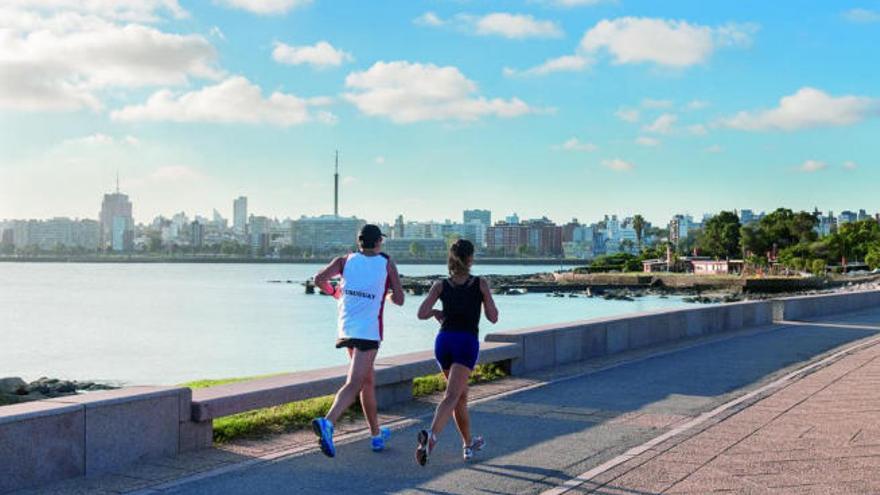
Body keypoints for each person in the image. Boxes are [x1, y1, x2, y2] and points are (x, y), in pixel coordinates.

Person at [311, 224, 405, 457]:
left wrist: (336, 294)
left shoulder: (344, 260)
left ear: (360, 242)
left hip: (346, 329)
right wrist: (388, 294)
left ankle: (375, 436)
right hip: (368, 332)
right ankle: (328, 422)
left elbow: (319, 279)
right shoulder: (386, 262)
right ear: (378, 242)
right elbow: (400, 299)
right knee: (355, 383)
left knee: (367, 382)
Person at [415, 239, 499, 465]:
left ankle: (468, 444)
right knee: (452, 396)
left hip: (443, 342)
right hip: (465, 343)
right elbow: (493, 317)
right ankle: (430, 438)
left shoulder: (440, 285)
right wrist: (486, 296)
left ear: (451, 258)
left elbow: (421, 313)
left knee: (460, 396)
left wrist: (435, 311)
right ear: (471, 258)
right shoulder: (480, 283)